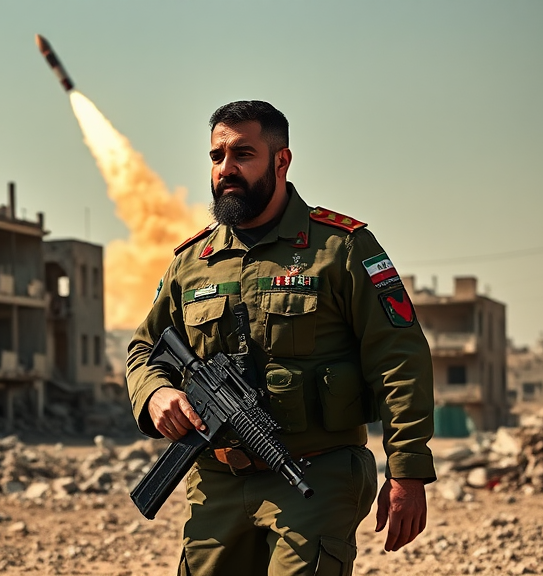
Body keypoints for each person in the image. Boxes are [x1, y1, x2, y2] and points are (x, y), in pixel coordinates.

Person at [126, 100, 435, 576]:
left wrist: (408, 470)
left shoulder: (340, 247)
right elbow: (145, 347)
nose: (226, 169)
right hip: (217, 480)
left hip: (315, 474)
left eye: (243, 154)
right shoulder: (192, 261)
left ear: (281, 160)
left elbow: (399, 357)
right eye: (216, 157)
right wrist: (156, 394)